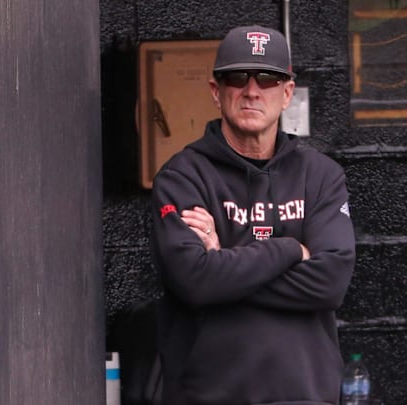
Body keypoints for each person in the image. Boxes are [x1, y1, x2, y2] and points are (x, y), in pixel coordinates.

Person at [150, 24, 356, 404]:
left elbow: (330, 283)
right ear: (216, 91)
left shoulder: (321, 176)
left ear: (287, 93)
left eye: (267, 78)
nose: (252, 90)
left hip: (304, 396)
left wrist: (224, 262)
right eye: (237, 77)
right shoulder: (183, 177)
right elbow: (194, 280)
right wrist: (292, 250)